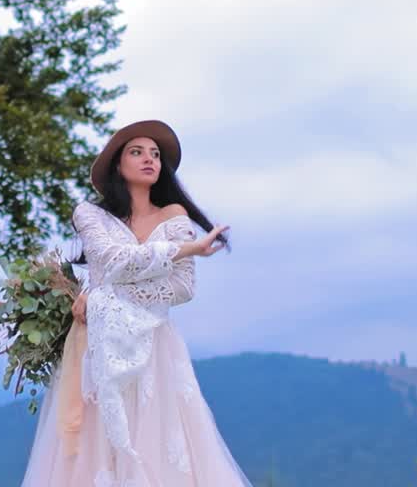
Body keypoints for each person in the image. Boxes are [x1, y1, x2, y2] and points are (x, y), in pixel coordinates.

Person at [20, 119, 254, 486]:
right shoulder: (90, 214)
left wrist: (101, 294)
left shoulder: (173, 214)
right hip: (97, 346)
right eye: (137, 151)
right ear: (118, 163)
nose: (149, 159)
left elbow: (182, 286)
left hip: (157, 348)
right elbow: (110, 261)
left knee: (162, 447)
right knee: (96, 450)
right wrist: (188, 248)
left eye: (156, 154)